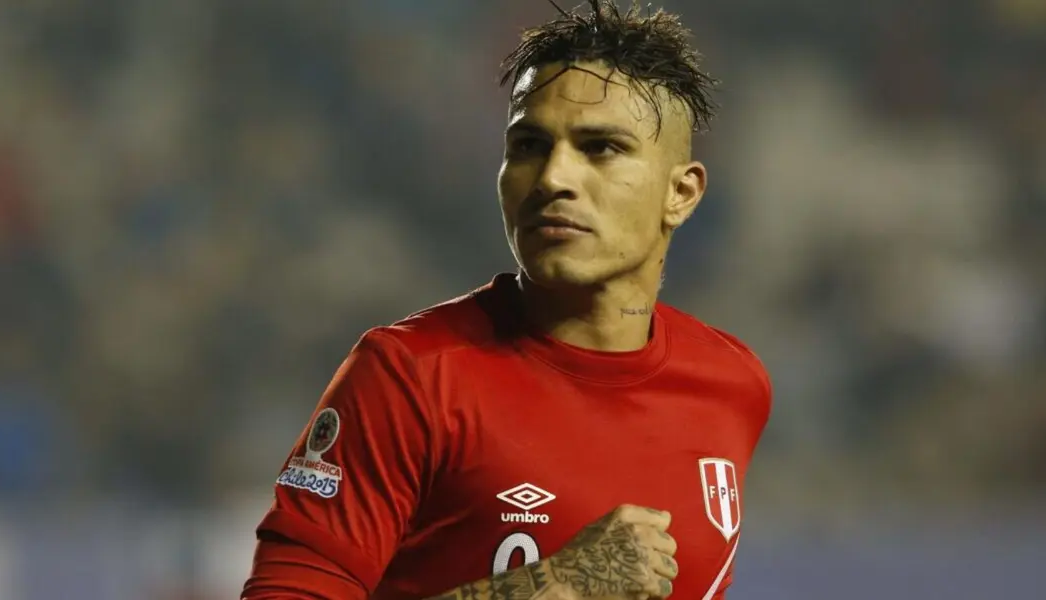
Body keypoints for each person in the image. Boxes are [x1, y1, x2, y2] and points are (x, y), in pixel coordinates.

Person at [241, 2, 772, 599]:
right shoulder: (410, 377)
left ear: (681, 193)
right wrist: (553, 585)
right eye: (528, 146)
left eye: (600, 148)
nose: (552, 178)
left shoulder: (733, 384)